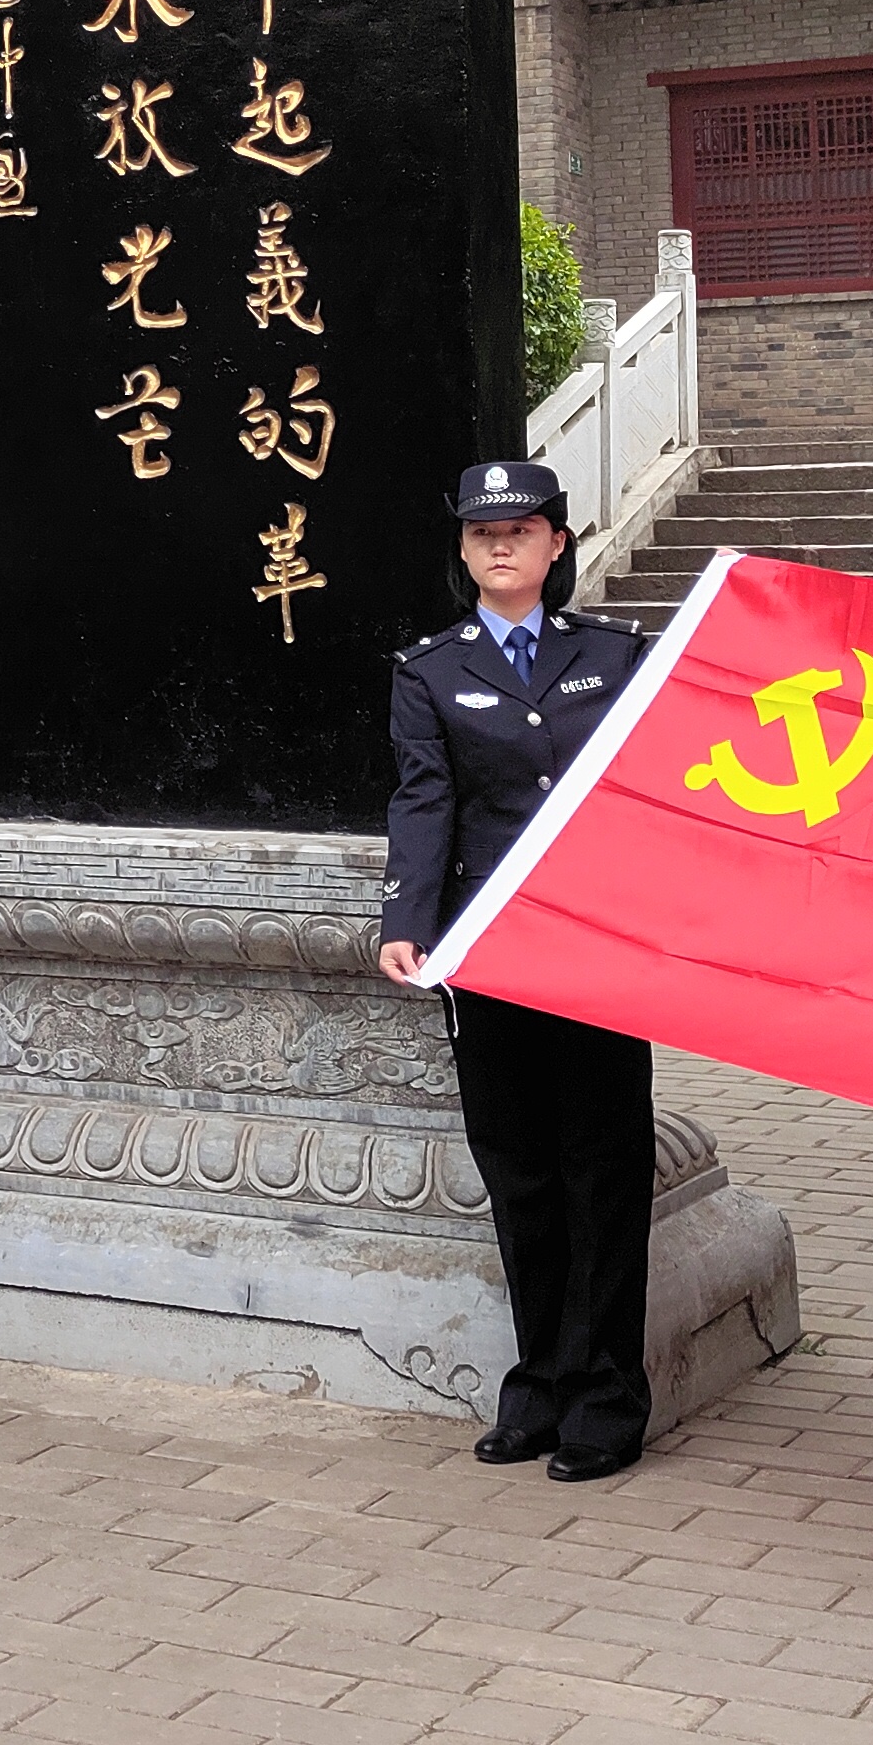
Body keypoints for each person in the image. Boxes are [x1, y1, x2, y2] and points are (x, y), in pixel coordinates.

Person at [372, 458, 657, 1482]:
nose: (502, 545)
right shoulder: (430, 671)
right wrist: (408, 919)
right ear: (460, 549)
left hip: (598, 952)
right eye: (482, 532)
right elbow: (423, 802)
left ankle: (608, 1400)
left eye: (522, 530)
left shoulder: (620, 657)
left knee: (607, 1173)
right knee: (522, 1175)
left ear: (557, 544)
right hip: (490, 955)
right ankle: (538, 1387)